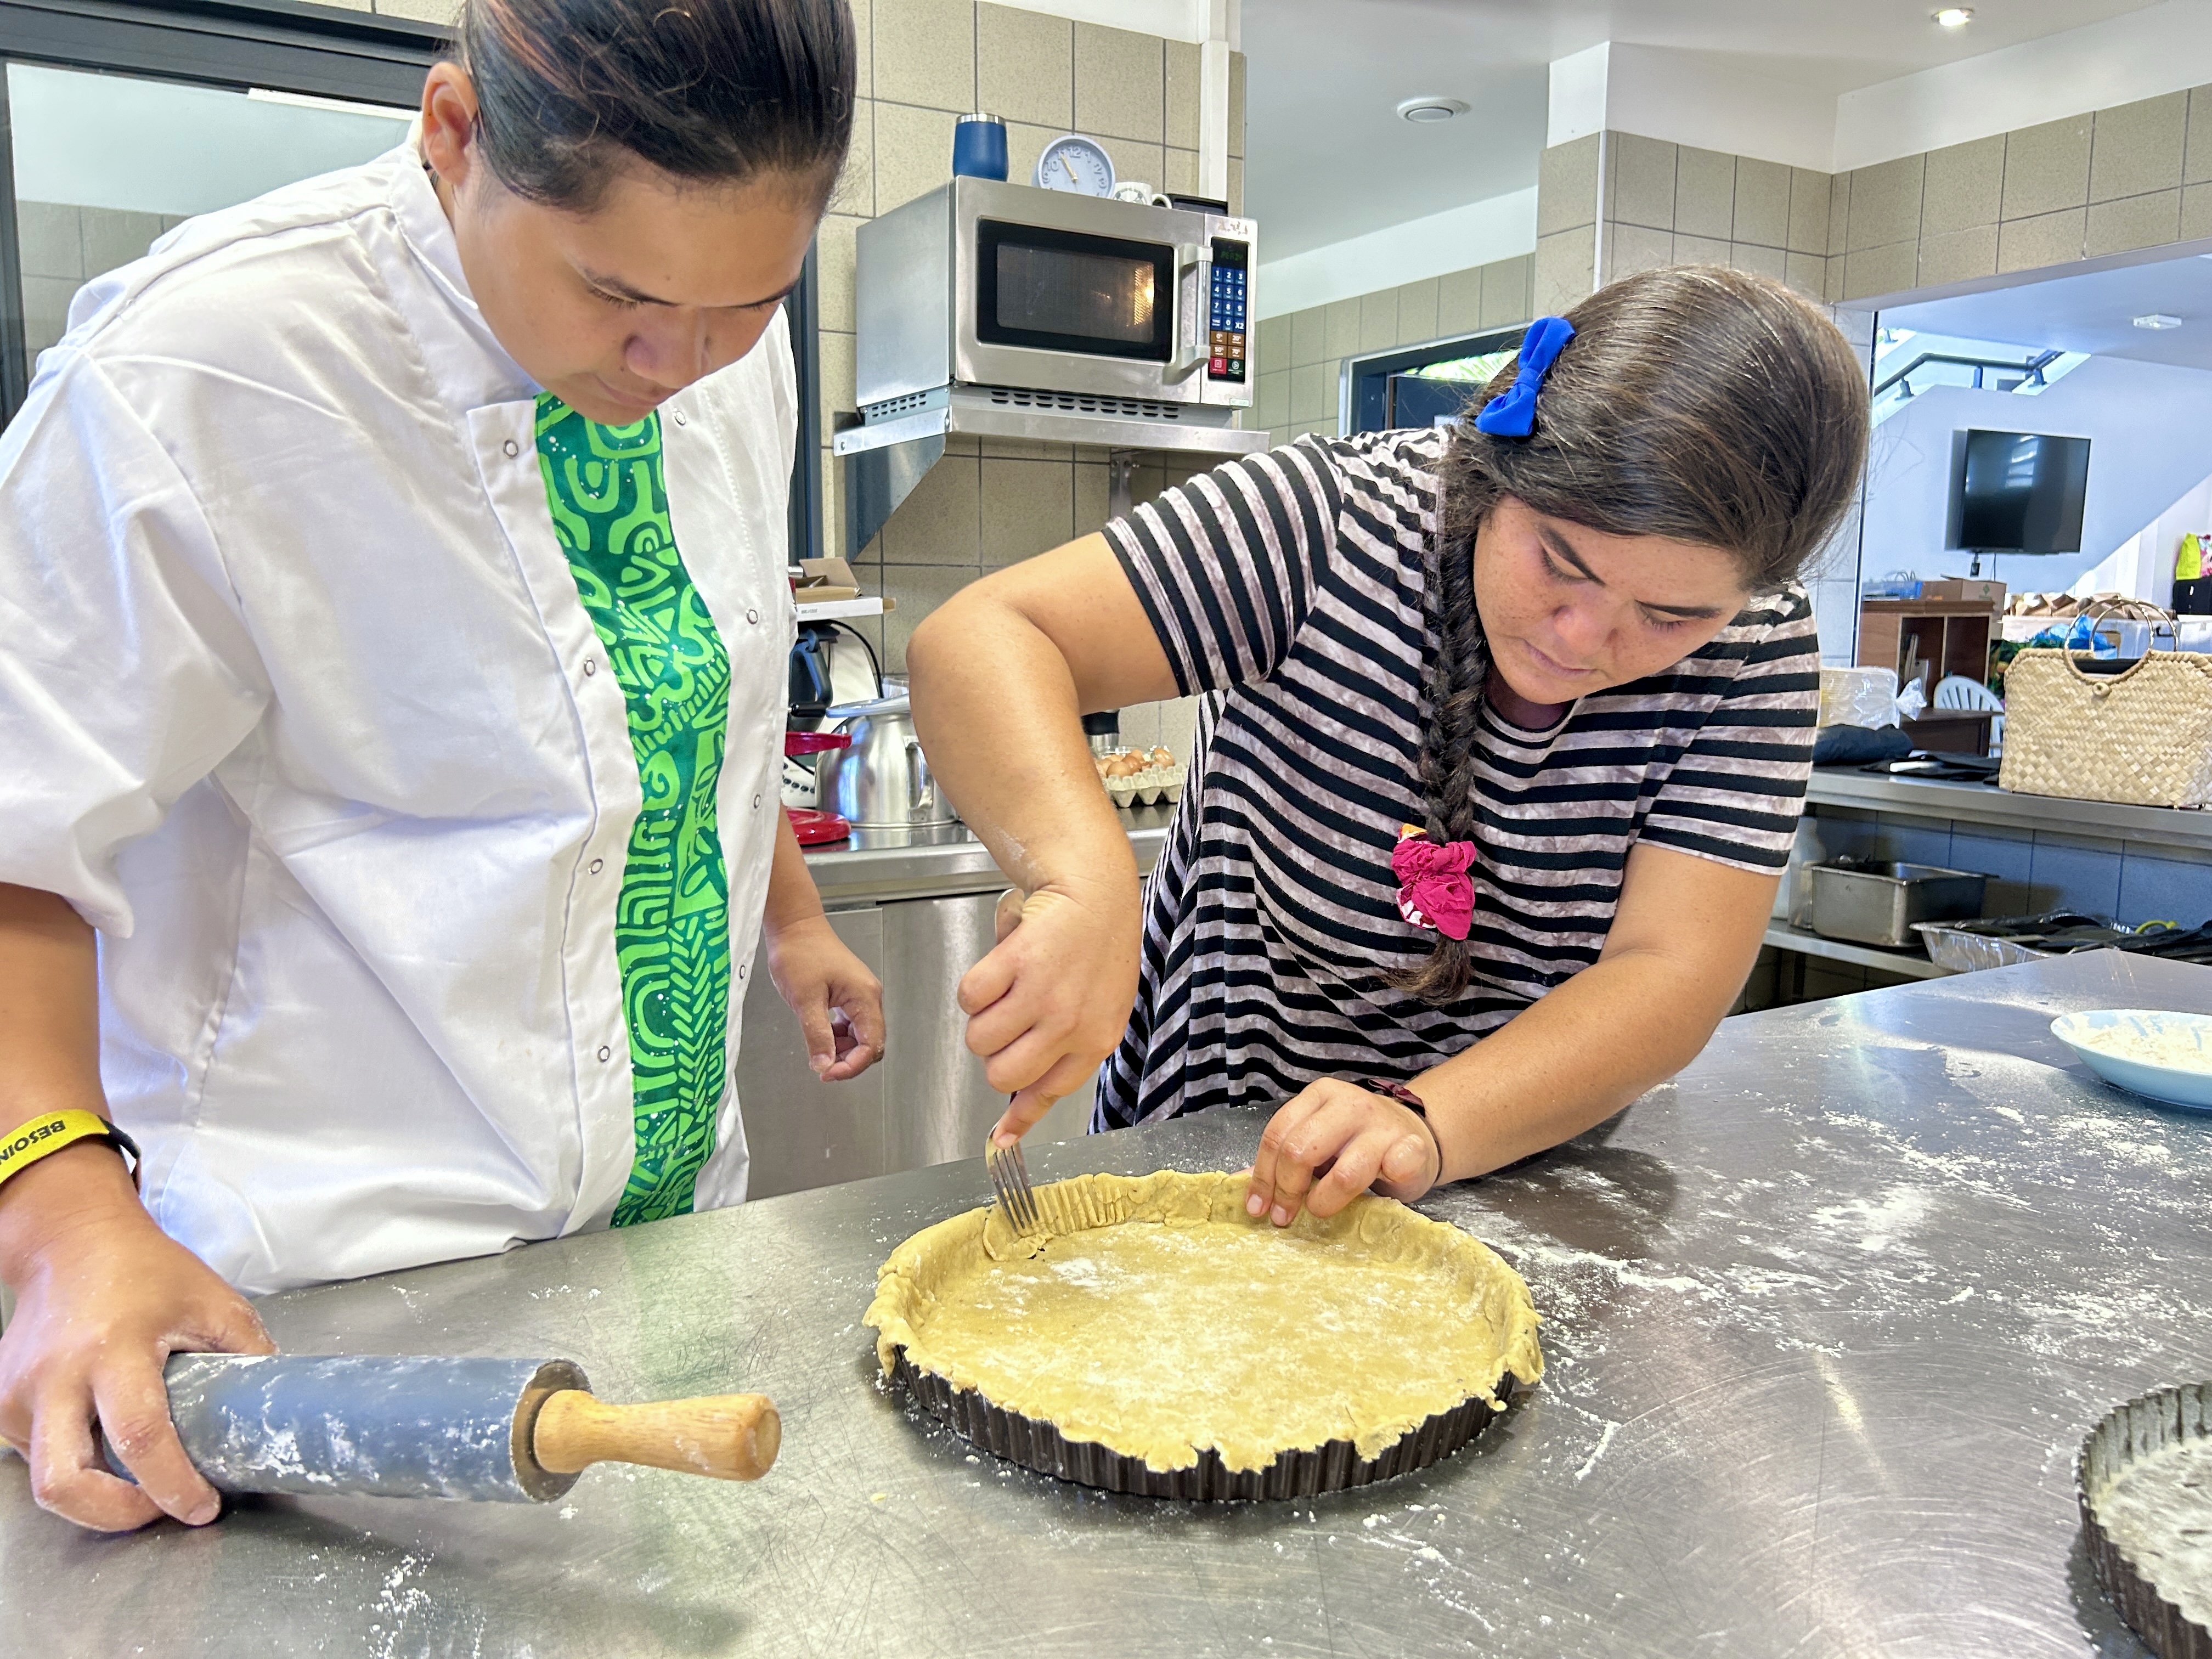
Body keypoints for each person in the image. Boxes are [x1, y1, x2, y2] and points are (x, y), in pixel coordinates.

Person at [0, 0, 879, 1533]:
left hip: (662, 1265)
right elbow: (20, 829)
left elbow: (686, 686)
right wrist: (64, 1216)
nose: (677, 363)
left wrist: (789, 917)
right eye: (616, 292)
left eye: (746, 304)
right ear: (454, 135)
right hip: (314, 1330)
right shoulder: (194, 378)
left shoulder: (731, 333)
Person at [910, 266, 1867, 1231]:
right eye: (1558, 563)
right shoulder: (1331, 522)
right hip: (1217, 1132)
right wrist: (1085, 882)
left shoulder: (1755, 647)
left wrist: (1428, 1122)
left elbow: (1671, 969)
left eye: (1667, 618)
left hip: (1518, 1161)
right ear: (1501, 473)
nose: (1579, 640)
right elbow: (984, 639)